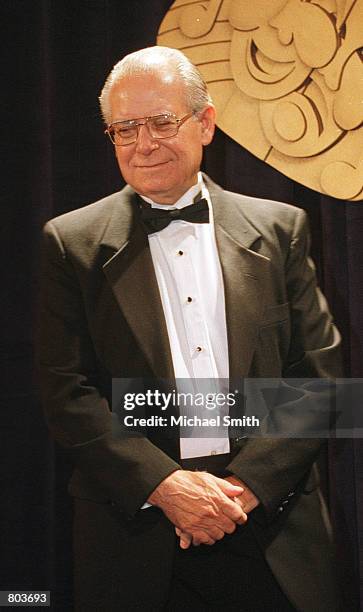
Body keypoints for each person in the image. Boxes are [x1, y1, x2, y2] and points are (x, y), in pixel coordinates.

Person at [38, 46, 342, 611]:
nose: (144, 143)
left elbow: (320, 381)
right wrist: (166, 486)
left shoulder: (282, 229)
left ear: (205, 123)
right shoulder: (70, 243)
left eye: (161, 121)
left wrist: (244, 490)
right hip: (134, 531)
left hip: (270, 525)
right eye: (125, 128)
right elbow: (66, 393)